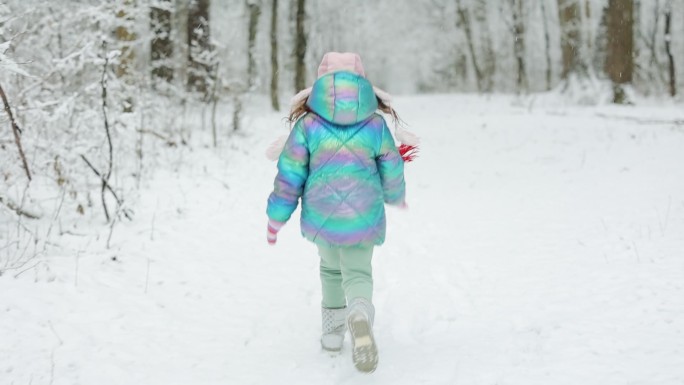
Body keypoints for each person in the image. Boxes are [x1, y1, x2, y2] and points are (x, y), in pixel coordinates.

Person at [265, 52, 416, 373]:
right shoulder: (375, 123)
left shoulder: (307, 124)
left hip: (322, 216)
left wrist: (277, 215)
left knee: (331, 269)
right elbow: (391, 162)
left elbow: (289, 172)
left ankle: (333, 334)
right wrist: (396, 194)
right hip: (364, 213)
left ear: (319, 84)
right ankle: (359, 313)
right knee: (358, 272)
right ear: (362, 82)